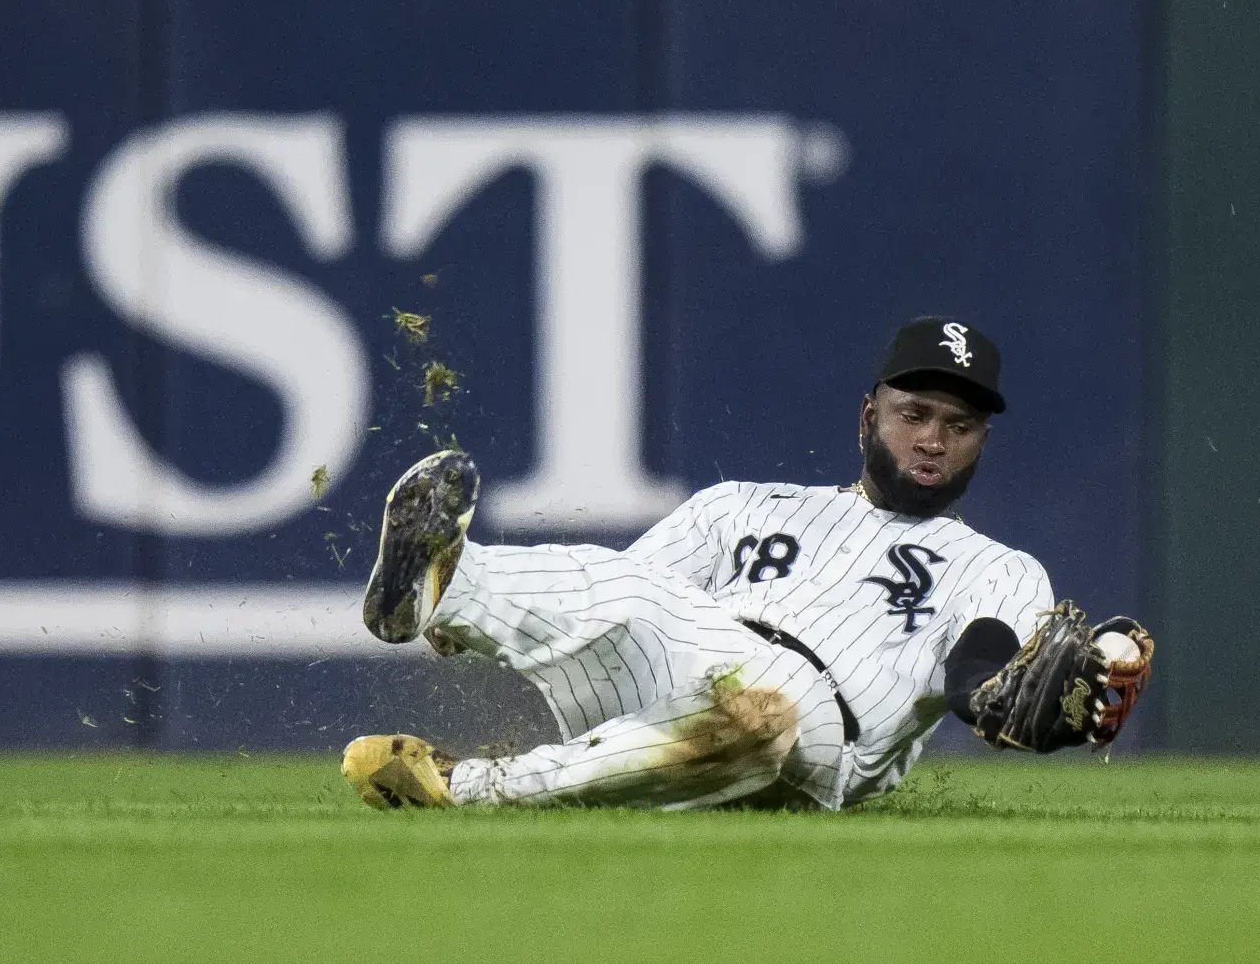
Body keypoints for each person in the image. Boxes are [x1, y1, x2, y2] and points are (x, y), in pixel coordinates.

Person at [341, 316, 1150, 811]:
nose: (934, 438)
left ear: (983, 440)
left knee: (768, 704)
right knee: (632, 596)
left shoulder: (998, 568)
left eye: (960, 424)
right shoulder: (745, 505)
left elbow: (983, 673)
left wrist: (1013, 701)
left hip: (821, 731)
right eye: (914, 413)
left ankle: (471, 776)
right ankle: (444, 590)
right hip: (677, 686)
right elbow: (629, 602)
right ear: (871, 415)